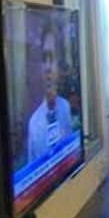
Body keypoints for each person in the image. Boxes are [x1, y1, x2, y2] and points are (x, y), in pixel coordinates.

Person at [26, 26, 74, 163]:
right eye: (44, 58)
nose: (47, 67)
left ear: (59, 67)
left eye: (52, 58)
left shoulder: (66, 108)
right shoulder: (34, 124)